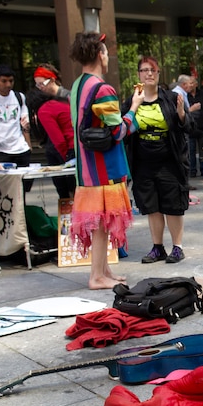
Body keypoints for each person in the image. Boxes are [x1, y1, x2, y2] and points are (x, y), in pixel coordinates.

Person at [68, 32, 144, 289]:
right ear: (100, 54)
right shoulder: (103, 89)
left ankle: (104, 271)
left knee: (99, 223)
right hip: (103, 168)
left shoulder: (78, 85)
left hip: (85, 167)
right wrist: (134, 108)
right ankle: (96, 276)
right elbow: (118, 132)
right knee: (101, 224)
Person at [124, 56, 191, 264]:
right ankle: (157, 247)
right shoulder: (132, 101)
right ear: (138, 75)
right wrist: (134, 106)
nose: (149, 74)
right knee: (151, 206)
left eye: (153, 70)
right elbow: (123, 129)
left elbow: (189, 128)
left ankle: (177, 247)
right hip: (143, 162)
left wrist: (181, 114)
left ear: (158, 74)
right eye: (144, 70)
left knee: (172, 205)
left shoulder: (171, 98)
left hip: (169, 161)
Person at [28, 64, 75, 198]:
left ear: (52, 80)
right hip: (53, 147)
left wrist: (67, 157)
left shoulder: (68, 96)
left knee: (72, 186)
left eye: (42, 83)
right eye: (37, 85)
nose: (41, 88)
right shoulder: (44, 104)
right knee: (62, 189)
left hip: (68, 146)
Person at [0, 64, 31, 168]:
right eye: (4, 81)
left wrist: (28, 145)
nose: (8, 84)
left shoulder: (19, 97)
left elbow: (25, 123)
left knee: (25, 182)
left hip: (21, 149)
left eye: (11, 81)